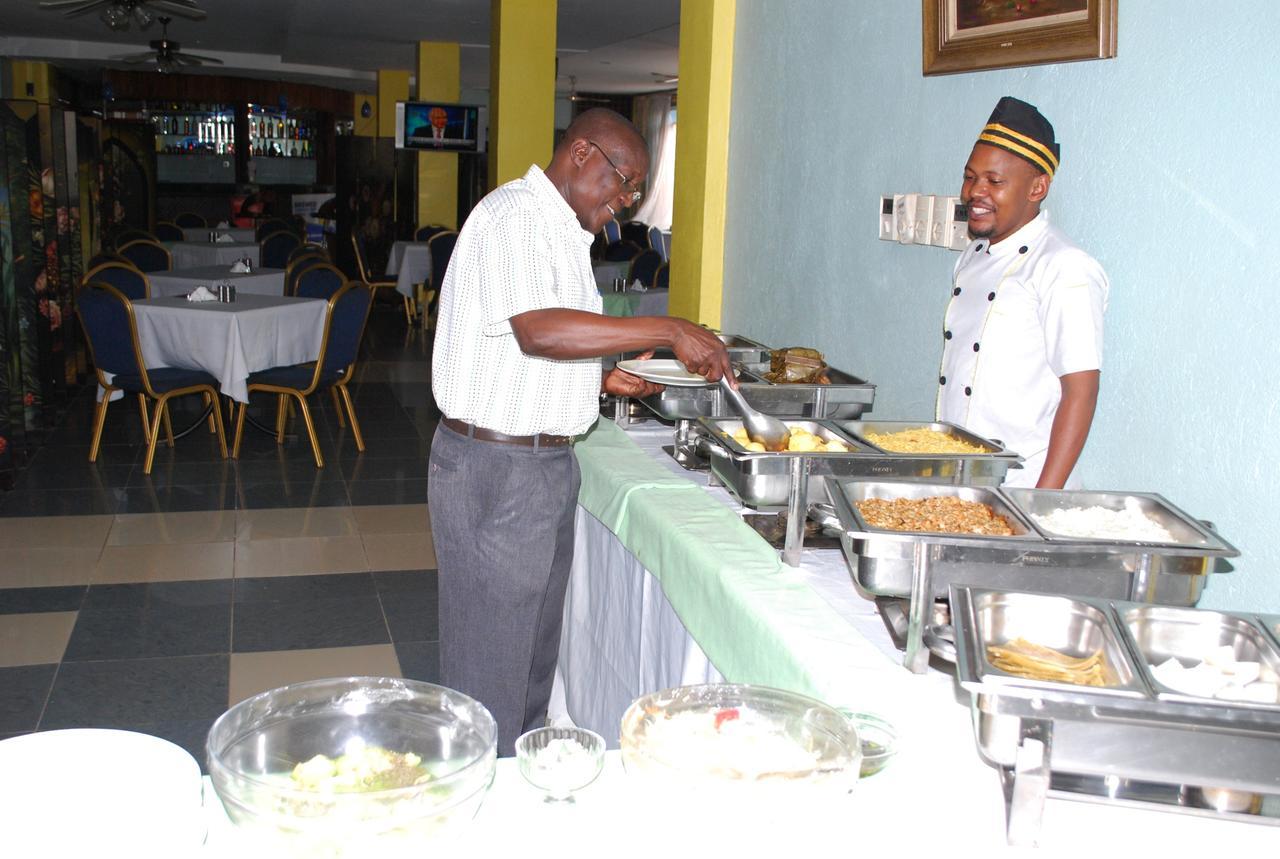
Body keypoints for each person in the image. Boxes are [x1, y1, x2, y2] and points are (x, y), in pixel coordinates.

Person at [428, 108, 733, 753]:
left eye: (632, 195)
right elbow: (538, 330)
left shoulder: (562, 232)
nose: (622, 206)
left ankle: (518, 787)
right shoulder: (515, 216)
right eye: (623, 185)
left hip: (537, 468)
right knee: (490, 672)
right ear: (581, 154)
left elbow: (513, 351)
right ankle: (480, 808)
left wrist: (597, 380)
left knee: (531, 663)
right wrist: (667, 327)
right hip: (497, 473)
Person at [937, 96, 1109, 489]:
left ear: (1037, 187)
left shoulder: (1064, 266)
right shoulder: (973, 256)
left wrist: (1043, 501)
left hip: (1024, 484)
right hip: (960, 477)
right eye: (970, 177)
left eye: (994, 182)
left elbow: (1080, 393)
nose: (975, 192)